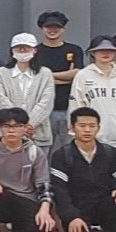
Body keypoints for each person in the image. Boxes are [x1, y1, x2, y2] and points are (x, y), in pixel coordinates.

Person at [51, 107, 116, 232]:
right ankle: (80, 228)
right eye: (82, 126)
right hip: (78, 207)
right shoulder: (61, 155)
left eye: (92, 126)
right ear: (72, 128)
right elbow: (60, 191)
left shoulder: (111, 153)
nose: (87, 130)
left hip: (103, 204)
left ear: (98, 128)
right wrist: (72, 217)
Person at [68, 36, 116, 162]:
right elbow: (76, 105)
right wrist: (75, 132)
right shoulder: (83, 75)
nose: (106, 53)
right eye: (101, 50)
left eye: (110, 50)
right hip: (92, 138)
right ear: (93, 52)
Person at [0, 33, 55, 149]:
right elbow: (0, 99)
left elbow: (46, 102)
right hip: (7, 135)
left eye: (27, 47)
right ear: (12, 50)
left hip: (38, 134)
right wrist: (17, 124)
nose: (22, 50)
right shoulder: (1, 72)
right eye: (18, 47)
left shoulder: (45, 73)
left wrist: (29, 124)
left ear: (35, 50)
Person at [34, 10, 85, 154]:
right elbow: (33, 77)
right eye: (48, 27)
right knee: (41, 151)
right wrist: (63, 77)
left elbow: (77, 73)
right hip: (41, 110)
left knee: (68, 151)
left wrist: (47, 76)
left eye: (57, 27)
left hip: (67, 108)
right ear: (41, 28)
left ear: (63, 29)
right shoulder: (34, 52)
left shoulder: (74, 49)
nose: (52, 30)